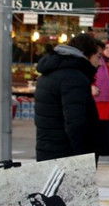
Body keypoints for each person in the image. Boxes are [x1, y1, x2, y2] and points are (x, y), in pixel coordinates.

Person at [34, 33, 101, 163]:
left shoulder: (50, 72)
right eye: (98, 57)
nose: (100, 63)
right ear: (84, 53)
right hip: (66, 155)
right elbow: (75, 123)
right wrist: (83, 158)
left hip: (48, 151)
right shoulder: (73, 78)